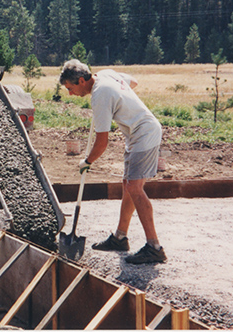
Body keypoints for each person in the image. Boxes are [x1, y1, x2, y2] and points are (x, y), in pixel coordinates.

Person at [59, 59, 166, 264]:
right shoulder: (105, 75)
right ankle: (119, 238)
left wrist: (87, 161)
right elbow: (132, 82)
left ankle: (154, 247)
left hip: (144, 133)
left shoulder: (100, 95)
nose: (70, 94)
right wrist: (117, 100)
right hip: (136, 134)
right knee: (128, 185)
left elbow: (102, 142)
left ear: (82, 80)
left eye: (71, 88)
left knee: (135, 188)